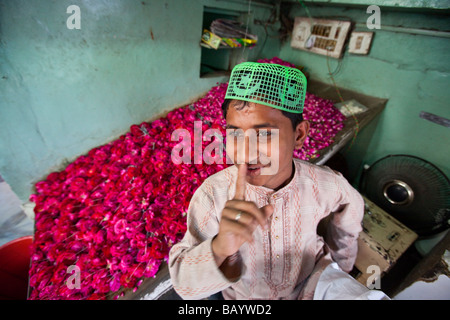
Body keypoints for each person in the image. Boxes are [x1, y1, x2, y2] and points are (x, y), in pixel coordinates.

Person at [168, 62, 388, 300]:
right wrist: (221, 246)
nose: (246, 152)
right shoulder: (214, 195)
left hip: (310, 286)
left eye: (264, 134)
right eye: (234, 134)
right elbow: (184, 286)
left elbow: (349, 216)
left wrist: (341, 267)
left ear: (299, 134)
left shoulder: (325, 184)